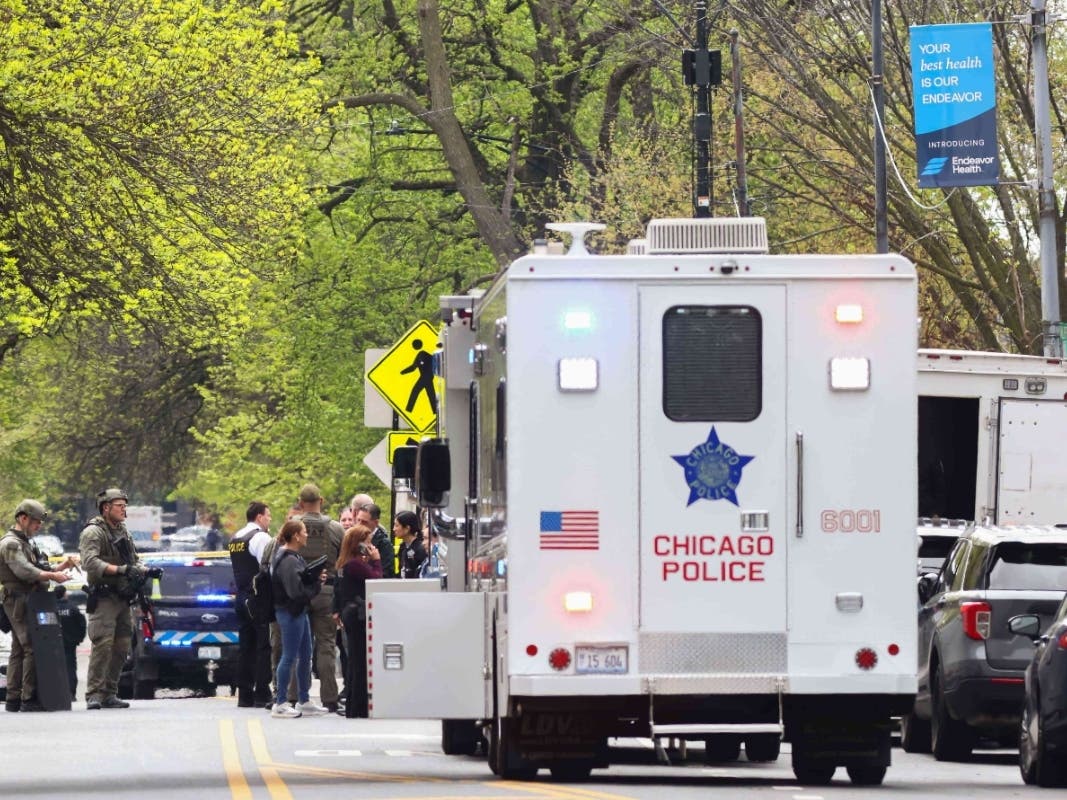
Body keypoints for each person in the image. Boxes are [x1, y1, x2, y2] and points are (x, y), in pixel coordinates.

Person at [0, 500, 75, 712]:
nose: (38, 526)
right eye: (35, 522)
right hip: (18, 601)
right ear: (22, 518)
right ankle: (28, 698)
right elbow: (25, 571)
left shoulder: (26, 542)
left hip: (28, 599)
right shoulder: (11, 544)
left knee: (18, 648)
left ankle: (14, 698)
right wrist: (53, 575)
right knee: (31, 647)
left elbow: (39, 569)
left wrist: (63, 566)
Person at [79, 487, 142, 710]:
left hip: (124, 598)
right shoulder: (93, 532)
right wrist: (120, 570)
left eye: (125, 506)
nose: (124, 510)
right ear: (106, 508)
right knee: (102, 645)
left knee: (123, 645)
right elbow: (89, 563)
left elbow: (134, 559)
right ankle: (94, 694)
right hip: (104, 597)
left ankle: (109, 693)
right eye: (120, 506)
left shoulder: (123, 531)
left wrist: (142, 570)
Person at [294, 483, 345, 712]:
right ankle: (329, 697)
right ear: (321, 501)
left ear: (300, 502)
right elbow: (345, 560)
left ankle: (294, 694)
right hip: (327, 592)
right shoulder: (335, 528)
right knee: (326, 644)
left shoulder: (293, 528)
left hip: (299, 592)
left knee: (296, 645)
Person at [270, 519, 328, 718]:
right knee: (289, 656)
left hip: (297, 612)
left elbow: (298, 582)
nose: (306, 535)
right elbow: (296, 592)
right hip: (290, 611)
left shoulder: (291, 557)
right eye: (303, 532)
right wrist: (316, 586)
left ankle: (304, 700)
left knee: (305, 655)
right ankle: (280, 702)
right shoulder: (288, 560)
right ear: (295, 535)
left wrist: (312, 577)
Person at [229, 501, 274, 708]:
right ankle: (262, 693)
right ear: (259, 517)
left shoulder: (236, 538)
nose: (270, 520)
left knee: (245, 647)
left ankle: (244, 694)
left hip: (241, 597)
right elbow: (269, 566)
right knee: (263, 646)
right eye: (268, 516)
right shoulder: (260, 537)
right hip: (258, 597)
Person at [333, 524, 381, 718]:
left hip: (349, 612)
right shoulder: (355, 565)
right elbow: (376, 580)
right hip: (358, 614)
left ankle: (354, 703)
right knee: (360, 660)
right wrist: (376, 561)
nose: (371, 547)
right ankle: (359, 705)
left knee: (354, 659)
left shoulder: (345, 563)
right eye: (368, 542)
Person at [54, 584, 86, 701]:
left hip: (53, 644)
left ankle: (56, 693)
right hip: (69, 644)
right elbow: (82, 624)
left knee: (53, 668)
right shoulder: (73, 608)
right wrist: (79, 638)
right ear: (64, 594)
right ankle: (70, 694)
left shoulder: (51, 608)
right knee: (70, 668)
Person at [355, 503, 395, 579]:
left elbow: (386, 572)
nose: (359, 525)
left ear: (376, 523)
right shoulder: (353, 539)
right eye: (358, 520)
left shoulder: (384, 544)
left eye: (364, 522)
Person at [395, 510, 427, 579]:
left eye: (397, 525)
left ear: (407, 528)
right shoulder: (402, 547)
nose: (394, 529)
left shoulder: (420, 549)